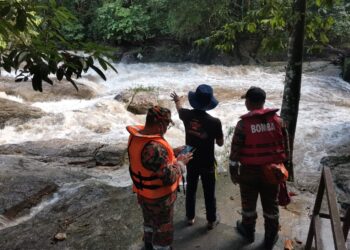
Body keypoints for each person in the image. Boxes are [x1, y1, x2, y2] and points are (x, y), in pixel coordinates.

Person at [229, 86, 290, 250]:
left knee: (248, 204)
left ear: (248, 102)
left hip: (249, 172)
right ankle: (270, 237)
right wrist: (284, 171)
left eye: (246, 101)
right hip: (273, 172)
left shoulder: (243, 125)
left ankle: (248, 232)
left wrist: (233, 173)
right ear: (263, 102)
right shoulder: (279, 121)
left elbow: (235, 153)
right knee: (271, 205)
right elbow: (286, 149)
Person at [126, 106, 193, 250]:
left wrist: (173, 152)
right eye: (167, 125)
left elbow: (152, 162)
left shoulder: (135, 137)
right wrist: (181, 163)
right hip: (159, 200)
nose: (167, 128)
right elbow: (168, 177)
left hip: (143, 194)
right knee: (163, 230)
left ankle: (148, 244)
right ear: (160, 125)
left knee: (149, 222)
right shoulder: (155, 148)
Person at [171, 84, 224, 230]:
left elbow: (179, 109)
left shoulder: (187, 115)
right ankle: (211, 220)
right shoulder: (215, 122)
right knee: (209, 191)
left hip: (190, 159)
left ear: (194, 100)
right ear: (209, 103)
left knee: (191, 189)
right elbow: (220, 143)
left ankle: (190, 217)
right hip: (207, 161)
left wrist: (177, 100)